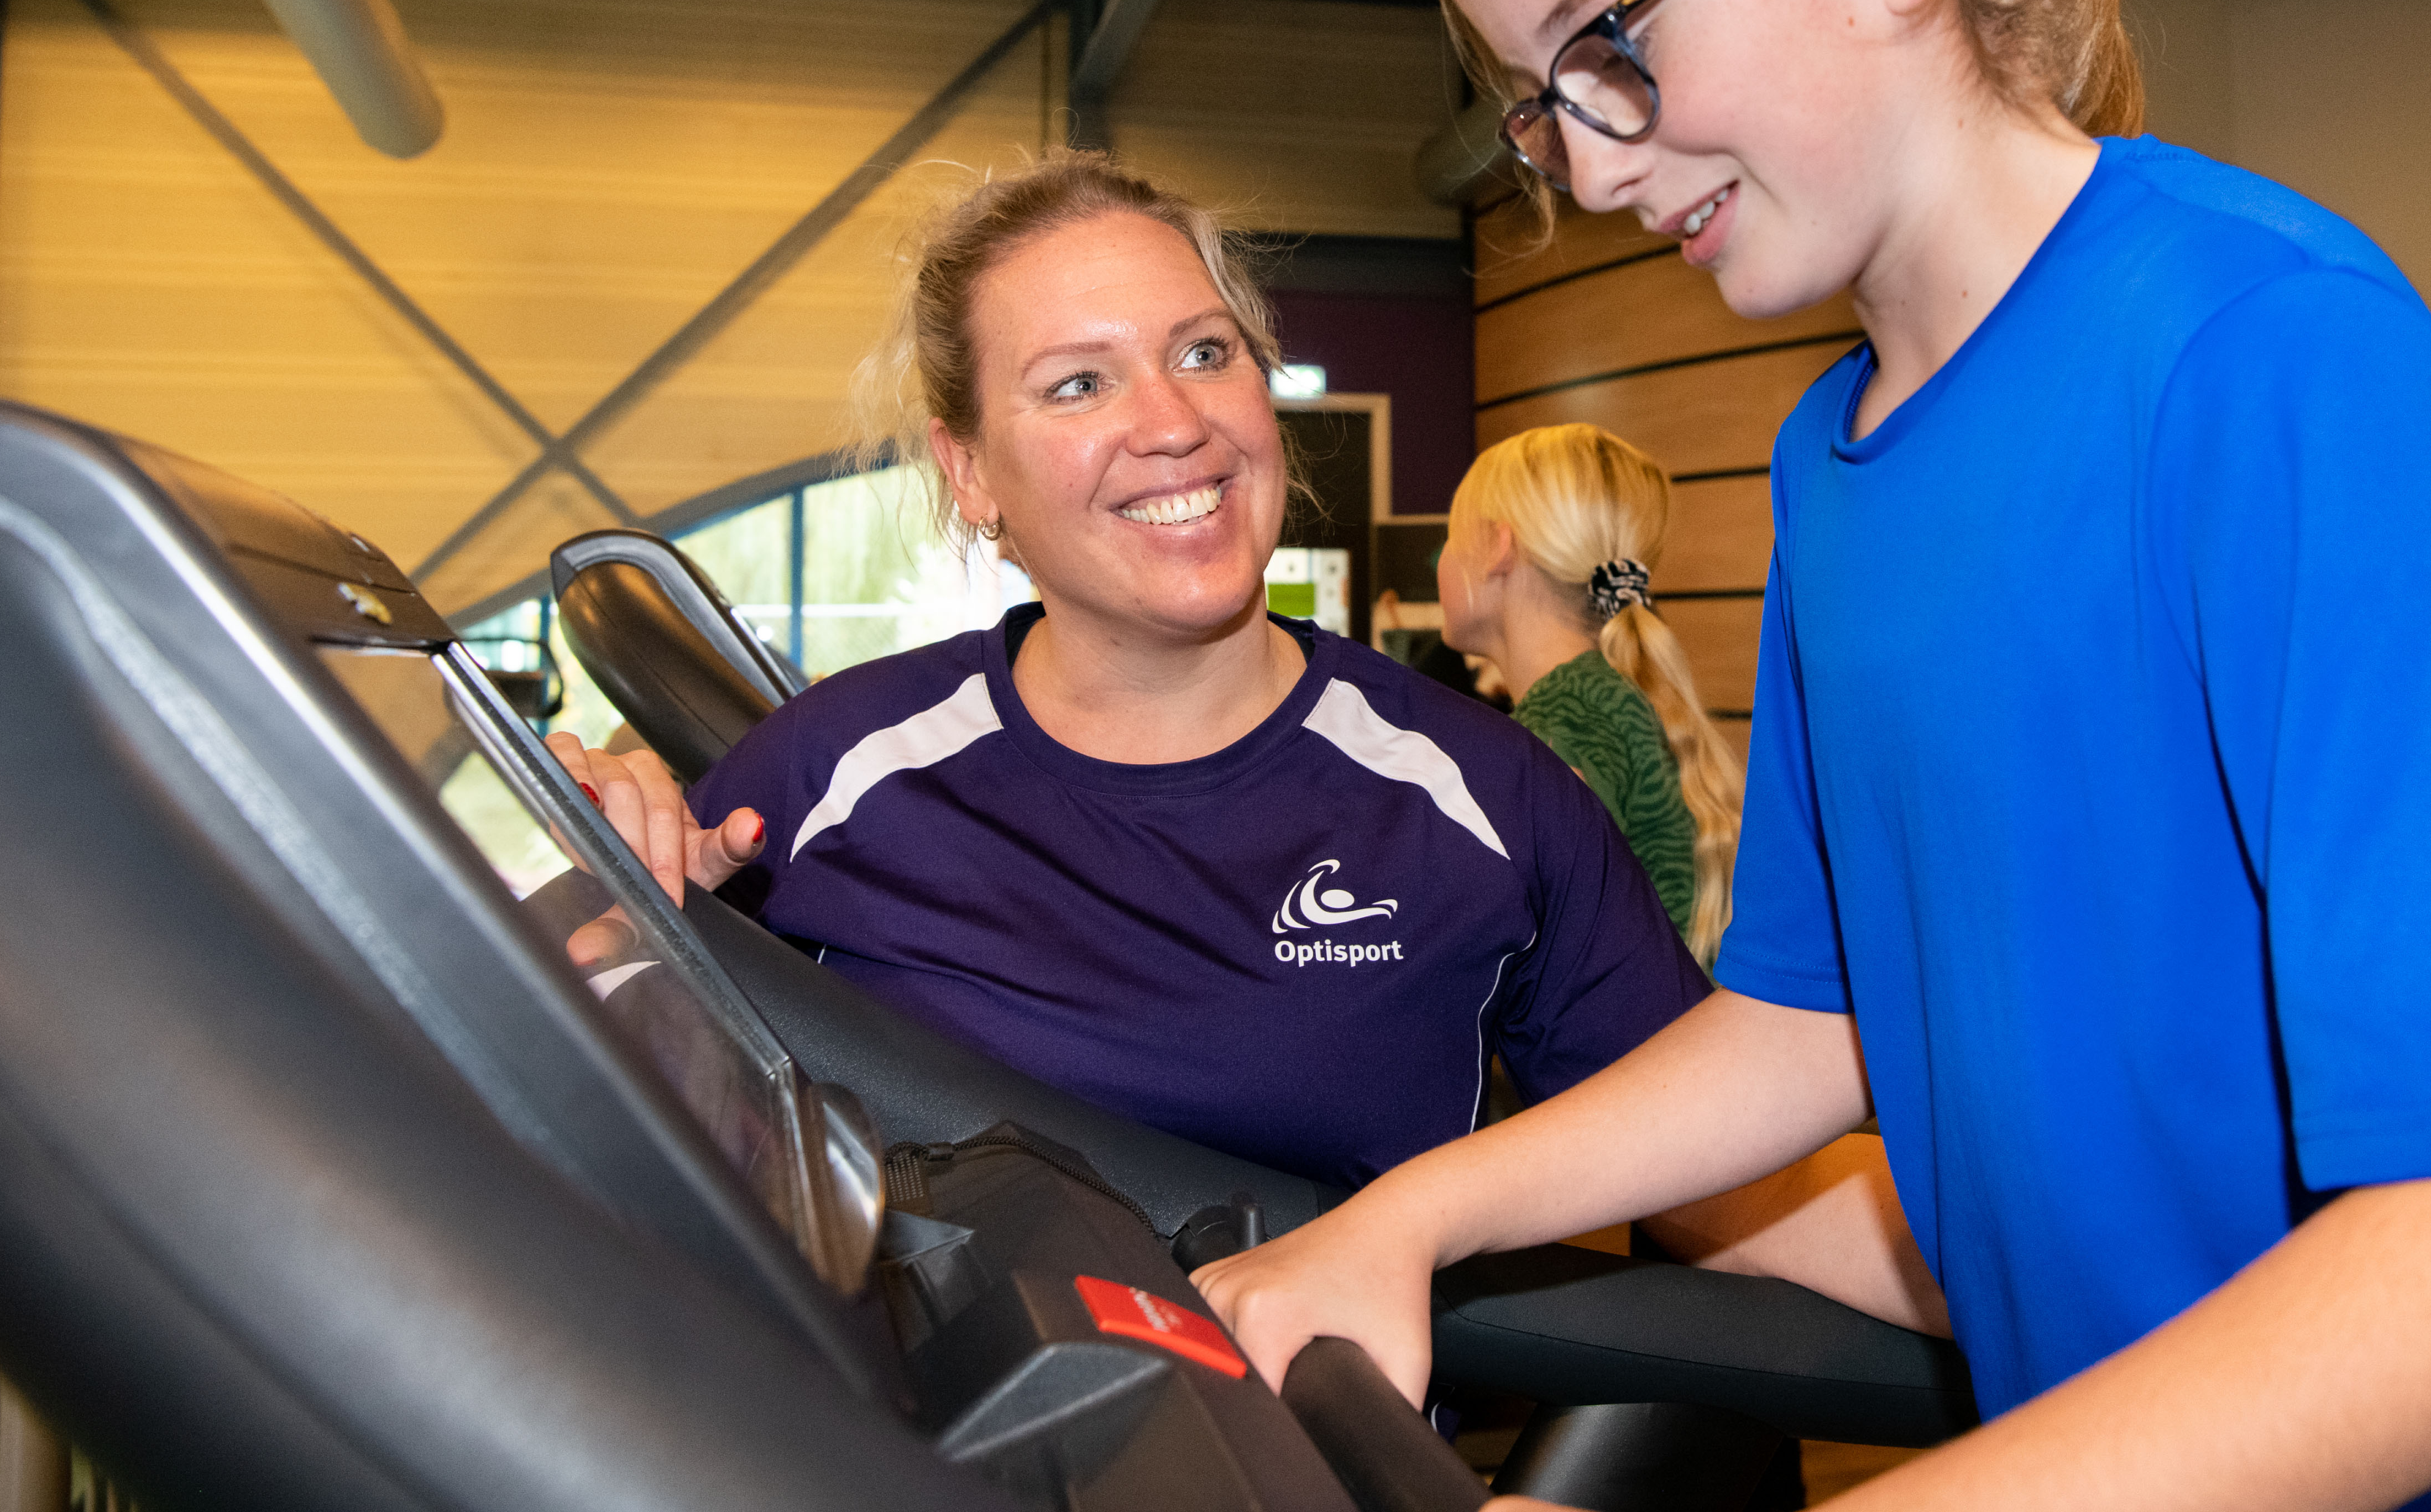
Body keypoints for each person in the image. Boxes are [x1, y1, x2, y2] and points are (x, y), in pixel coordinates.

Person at [1194, 0, 2431, 1512]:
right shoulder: (1831, 458)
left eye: (1608, 49)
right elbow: (1808, 1019)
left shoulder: (2260, 354)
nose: (1589, 170)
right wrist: (1415, 1212)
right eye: (1542, 105)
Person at [550, 154, 1711, 1189]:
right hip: (913, 1429)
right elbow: (594, 1114)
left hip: (1322, 1433)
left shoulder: (1484, 794)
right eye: (1078, 383)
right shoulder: (834, 770)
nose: (1171, 424)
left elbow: (1718, 1176)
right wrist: (624, 886)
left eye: (1204, 354)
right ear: (970, 474)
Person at [1438, 423, 1742, 961]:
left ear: (1496, 547)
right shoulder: (1609, 699)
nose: (1440, 559)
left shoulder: (1560, 733)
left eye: (1449, 535)